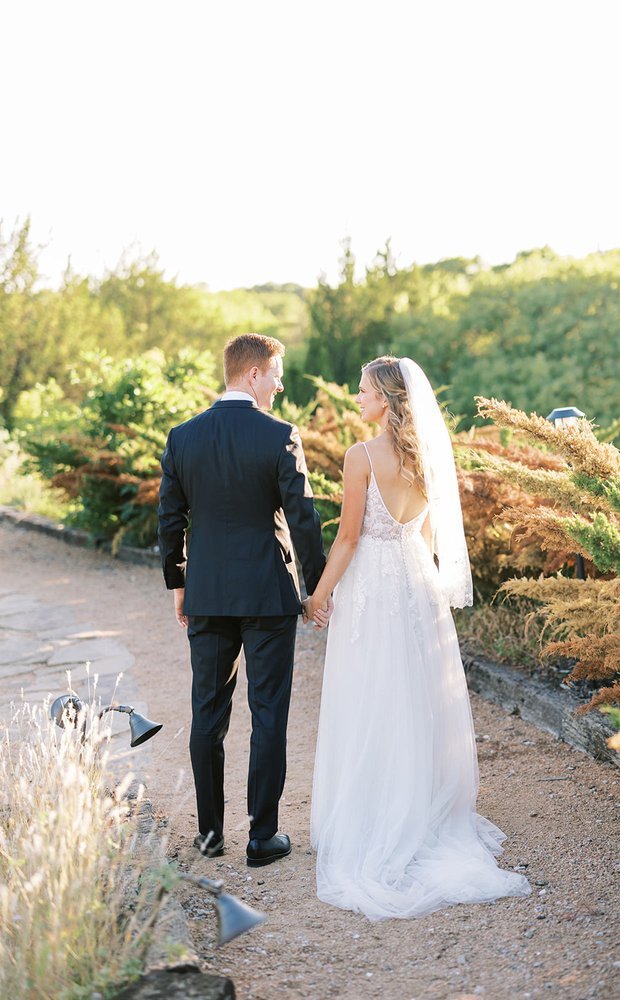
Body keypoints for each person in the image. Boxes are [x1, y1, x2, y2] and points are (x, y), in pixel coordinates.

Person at [308, 356, 531, 919]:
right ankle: (423, 808)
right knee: (416, 697)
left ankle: (378, 813)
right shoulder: (426, 454)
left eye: (362, 391)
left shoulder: (361, 457)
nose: (356, 398)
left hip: (373, 588)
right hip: (416, 582)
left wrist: (317, 595)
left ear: (385, 398)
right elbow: (430, 532)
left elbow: (349, 539)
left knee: (371, 695)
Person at [158, 333, 328, 866]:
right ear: (252, 375)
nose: (280, 385)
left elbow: (169, 519)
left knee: (206, 712)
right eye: (276, 373)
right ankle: (261, 838)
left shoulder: (183, 437)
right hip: (268, 595)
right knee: (268, 711)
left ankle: (209, 836)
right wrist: (316, 589)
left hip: (208, 594)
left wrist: (180, 583)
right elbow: (303, 517)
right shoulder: (279, 435)